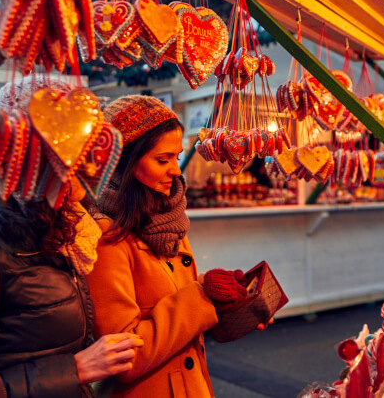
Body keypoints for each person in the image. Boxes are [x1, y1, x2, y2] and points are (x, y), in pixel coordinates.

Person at [0, 78, 143, 397]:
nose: (77, 173)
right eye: (62, 155)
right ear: (16, 153)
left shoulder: (57, 225)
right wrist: (76, 369)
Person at [87, 95, 257, 397]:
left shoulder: (169, 219)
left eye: (176, 158)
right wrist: (203, 295)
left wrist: (232, 306)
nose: (175, 171)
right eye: (162, 160)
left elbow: (180, 321)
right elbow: (123, 357)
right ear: (122, 162)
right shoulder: (106, 236)